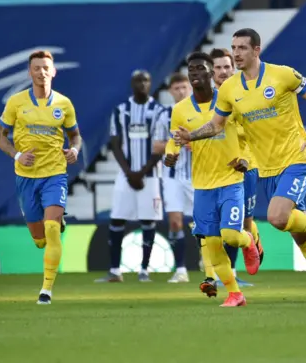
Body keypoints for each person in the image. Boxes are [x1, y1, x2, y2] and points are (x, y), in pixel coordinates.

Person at [173, 28, 306, 312]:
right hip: (266, 169)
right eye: (233, 47)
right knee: (298, 233)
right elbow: (217, 125)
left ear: (256, 50)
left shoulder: (282, 75)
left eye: (242, 48)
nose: (236, 53)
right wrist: (190, 137)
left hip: (295, 158)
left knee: (278, 217)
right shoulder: (230, 88)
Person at [161, 52, 261, 307]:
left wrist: (246, 159)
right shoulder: (180, 109)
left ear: (211, 74)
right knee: (212, 244)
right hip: (202, 185)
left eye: (199, 69)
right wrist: (170, 155)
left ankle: (248, 241)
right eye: (190, 70)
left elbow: (248, 134)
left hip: (230, 179)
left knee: (230, 236)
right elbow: (175, 139)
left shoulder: (228, 101)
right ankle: (235, 293)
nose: (194, 74)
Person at [0, 50, 82, 305]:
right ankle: (48, 227)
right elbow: (0, 136)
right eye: (37, 68)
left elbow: (75, 134)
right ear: (29, 72)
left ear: (53, 71)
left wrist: (74, 150)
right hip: (26, 177)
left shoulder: (64, 104)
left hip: (55, 173)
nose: (42, 72)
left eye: (46, 67)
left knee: (52, 230)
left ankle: (46, 291)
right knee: (40, 240)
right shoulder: (16, 102)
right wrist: (17, 155)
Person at [196, 48, 259, 295]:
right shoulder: (204, 100)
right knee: (211, 227)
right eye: (218, 68)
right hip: (212, 173)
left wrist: (245, 158)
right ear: (212, 72)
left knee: (243, 223)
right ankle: (217, 275)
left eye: (227, 67)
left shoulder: (244, 95)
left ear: (234, 68)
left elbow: (256, 133)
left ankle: (242, 255)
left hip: (247, 168)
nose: (223, 72)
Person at [95, 70, 165, 283]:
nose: (142, 84)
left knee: (148, 220)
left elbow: (160, 146)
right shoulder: (121, 111)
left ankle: (144, 270)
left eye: (145, 80)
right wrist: (129, 173)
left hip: (151, 176)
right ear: (132, 84)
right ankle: (115, 271)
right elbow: (115, 144)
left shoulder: (158, 111)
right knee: (117, 218)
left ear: (151, 84)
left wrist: (141, 173)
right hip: (125, 176)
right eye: (138, 81)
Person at [159, 73, 194, 284]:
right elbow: (156, 145)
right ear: (170, 92)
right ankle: (181, 269)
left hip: (197, 175)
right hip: (172, 177)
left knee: (204, 222)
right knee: (174, 221)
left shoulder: (199, 112)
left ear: (189, 88)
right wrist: (174, 144)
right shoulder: (164, 116)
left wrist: (195, 142)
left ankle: (211, 265)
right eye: (177, 89)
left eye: (184, 87)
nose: (181, 92)